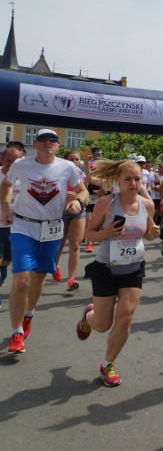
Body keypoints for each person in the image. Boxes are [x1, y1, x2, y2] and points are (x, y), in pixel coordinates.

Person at [1, 129, 88, 354]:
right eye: (43, 139)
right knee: (20, 280)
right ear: (35, 144)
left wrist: (78, 201)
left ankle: (28, 314)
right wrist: (5, 207)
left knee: (39, 276)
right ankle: (16, 332)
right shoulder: (21, 165)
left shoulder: (68, 167)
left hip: (51, 227)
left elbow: (83, 190)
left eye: (53, 140)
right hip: (22, 225)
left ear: (58, 146)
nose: (48, 142)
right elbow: (7, 185)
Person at [75, 159, 159, 386]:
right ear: (117, 181)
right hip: (106, 268)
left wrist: (153, 233)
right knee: (102, 325)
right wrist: (106, 233)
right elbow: (88, 236)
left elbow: (149, 233)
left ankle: (107, 364)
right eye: (128, 179)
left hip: (133, 268)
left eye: (137, 179)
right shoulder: (107, 204)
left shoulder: (147, 205)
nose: (133, 183)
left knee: (125, 317)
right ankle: (89, 316)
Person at [55, 149, 87, 291]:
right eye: (72, 159)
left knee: (75, 244)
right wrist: (63, 195)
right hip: (60, 210)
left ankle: (71, 279)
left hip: (78, 211)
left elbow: (84, 191)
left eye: (77, 159)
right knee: (60, 243)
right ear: (66, 160)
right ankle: (54, 266)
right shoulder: (58, 173)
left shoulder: (81, 174)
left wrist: (80, 200)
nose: (75, 162)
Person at [0, 144, 25, 290]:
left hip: (16, 226)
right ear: (2, 159)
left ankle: (2, 268)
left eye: (16, 161)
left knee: (8, 258)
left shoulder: (25, 177)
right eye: (9, 160)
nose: (12, 164)